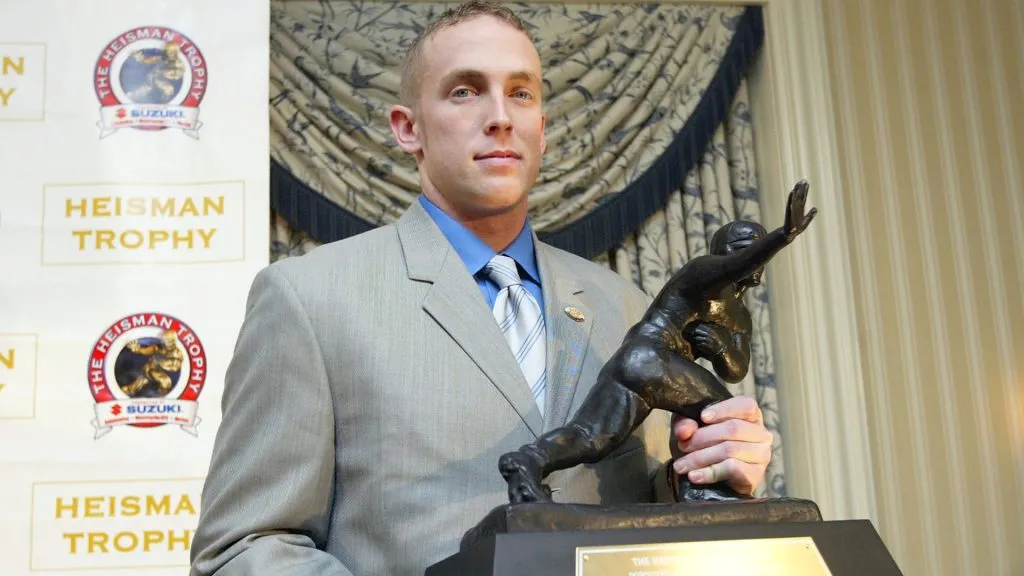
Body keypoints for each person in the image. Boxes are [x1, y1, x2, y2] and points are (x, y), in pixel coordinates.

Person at [190, 2, 774, 575]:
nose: (500, 116)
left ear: (541, 130)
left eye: (521, 93)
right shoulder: (307, 300)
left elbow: (637, 518)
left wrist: (703, 472)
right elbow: (243, 548)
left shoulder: (619, 304)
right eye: (465, 91)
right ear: (407, 128)